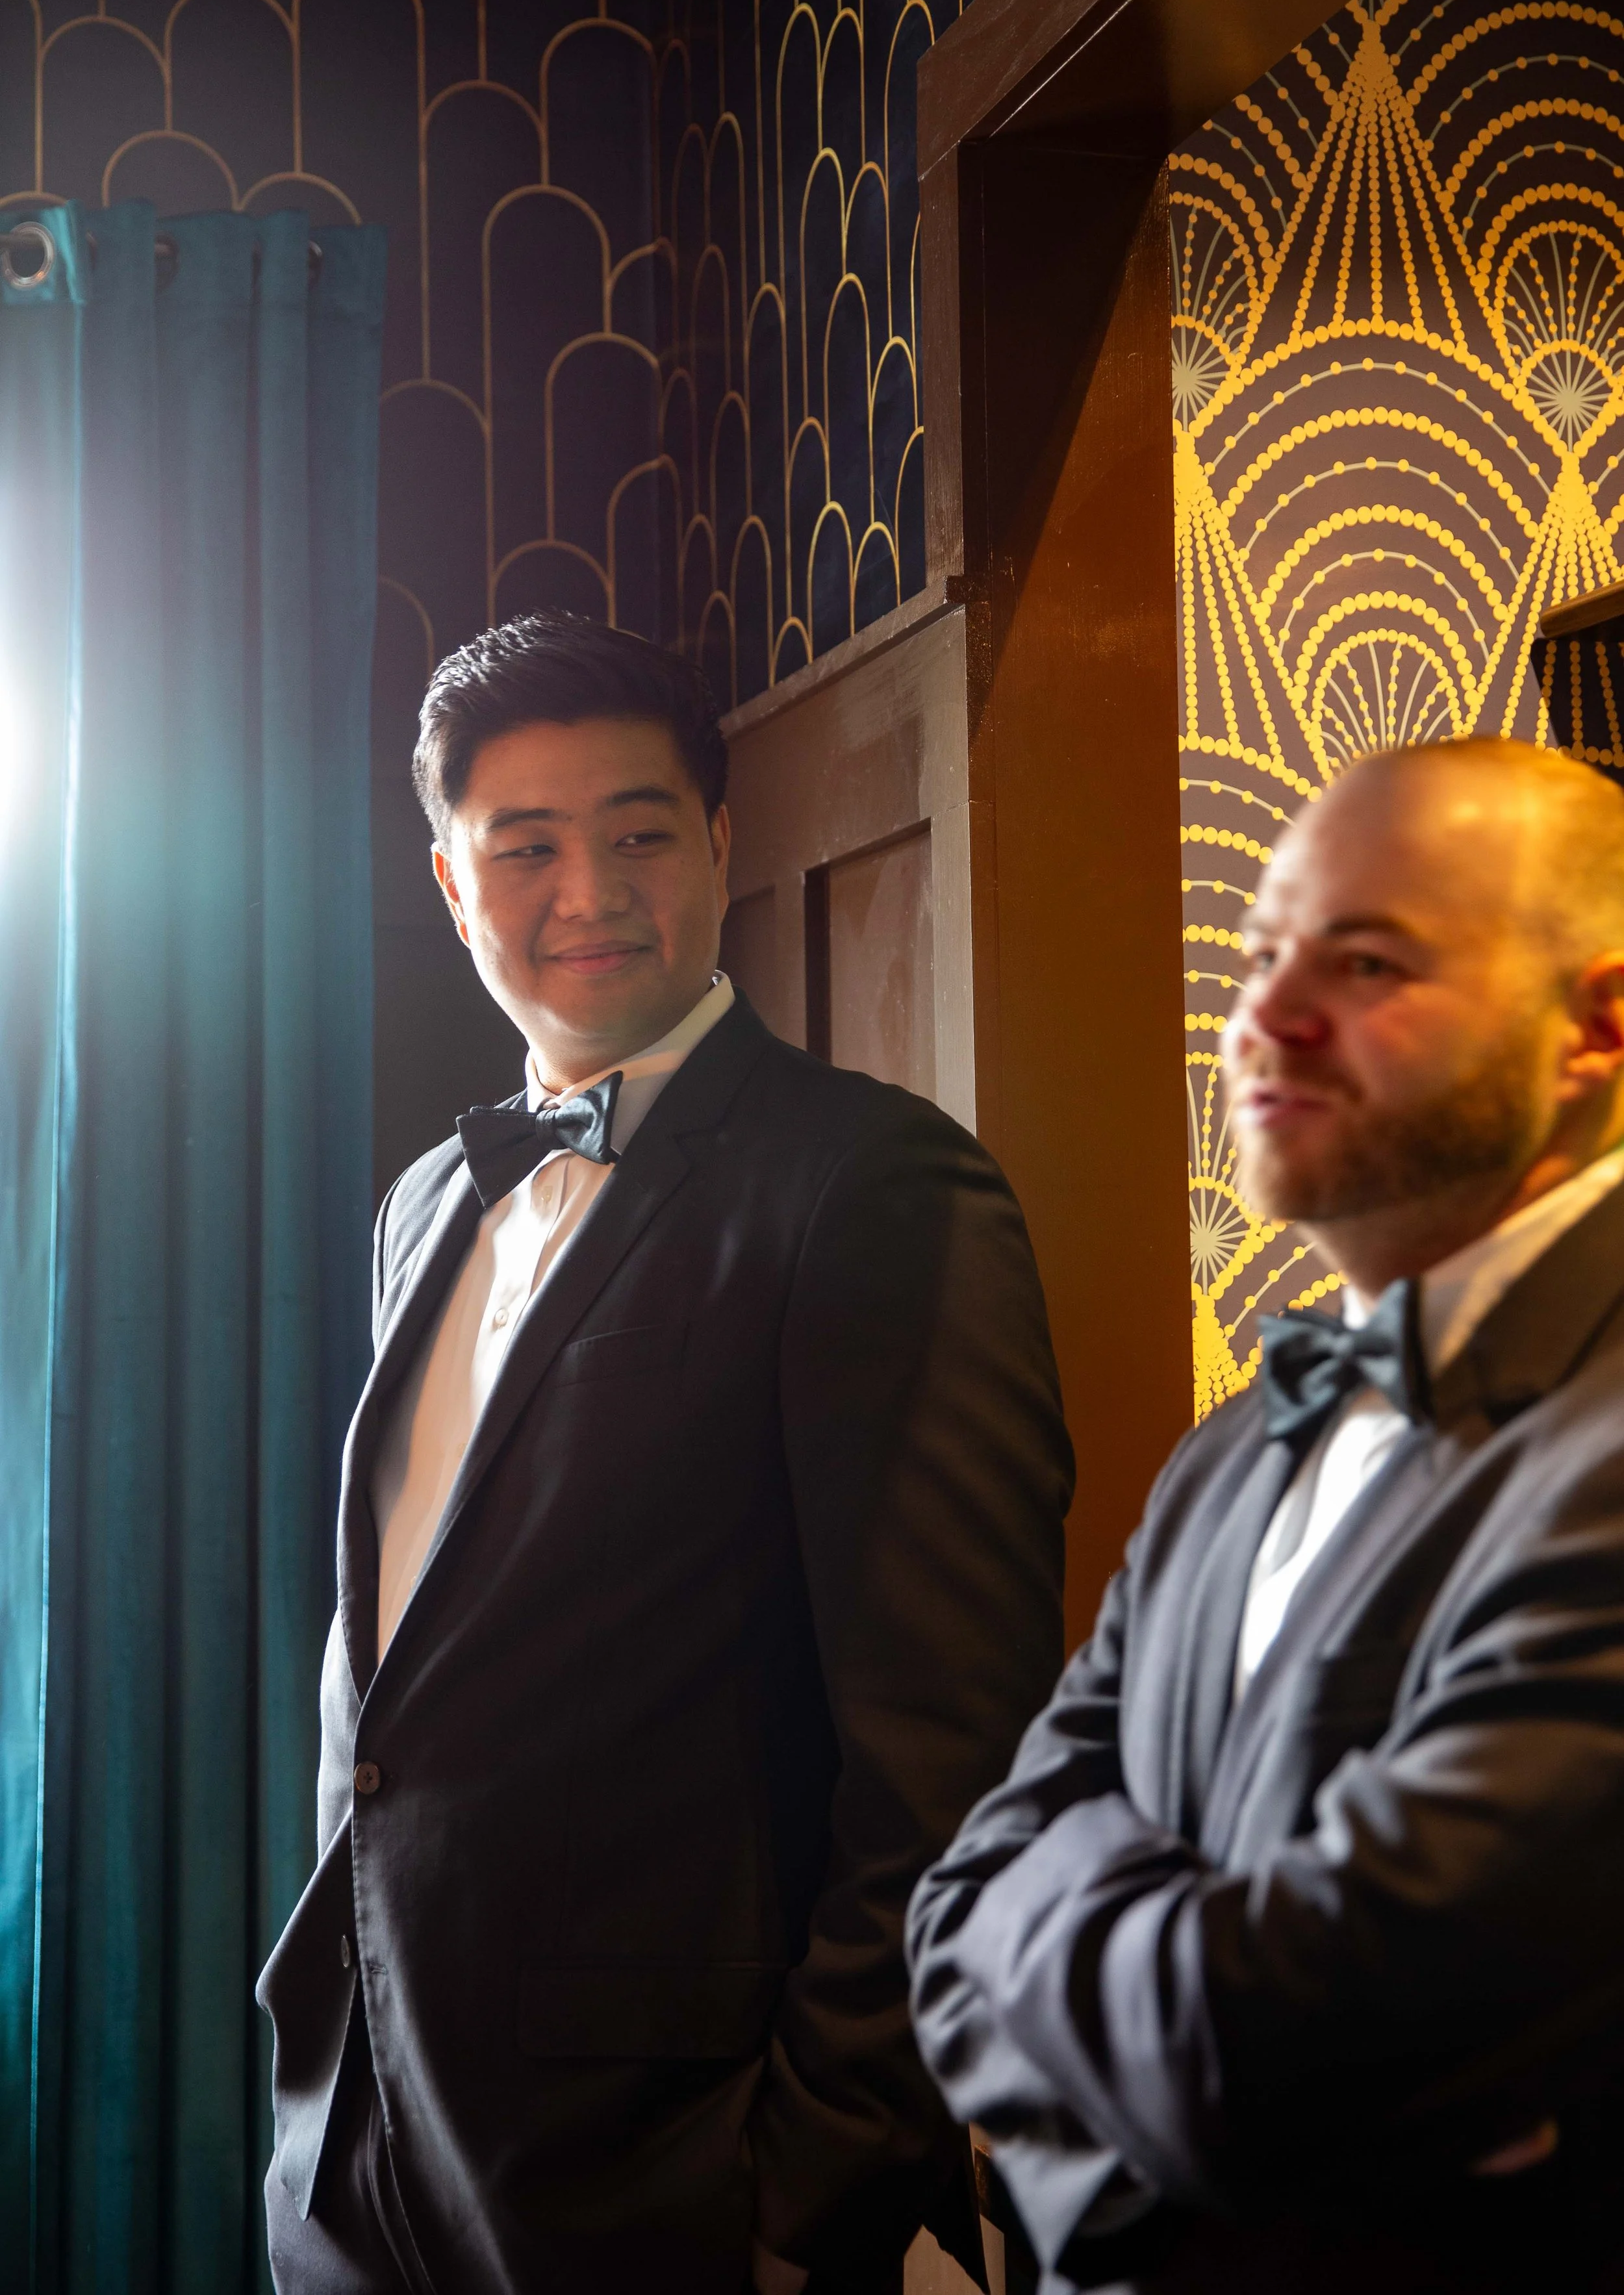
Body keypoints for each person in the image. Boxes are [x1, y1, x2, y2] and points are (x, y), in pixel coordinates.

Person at [258, 611, 1072, 2295]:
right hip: (366, 2147)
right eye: (527, 846)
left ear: (718, 839)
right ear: (446, 881)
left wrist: (798, 2203)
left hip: (680, 2188)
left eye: (638, 832)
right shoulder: (424, 1199)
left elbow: (954, 1758)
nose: (589, 891)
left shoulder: (873, 1187)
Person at [908, 737, 1624, 2295]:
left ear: (1594, 1025)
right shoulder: (1227, 1452)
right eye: (1258, 954)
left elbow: (1283, 2031)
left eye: (1365, 963)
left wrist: (1134, 2037)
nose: (1264, 1020)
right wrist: (1143, 2166)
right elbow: (951, 1915)